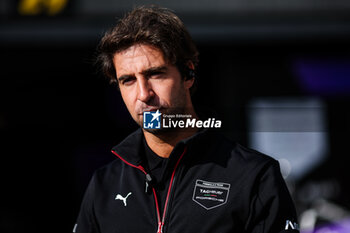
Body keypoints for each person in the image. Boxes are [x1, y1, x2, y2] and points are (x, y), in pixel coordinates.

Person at [74, 6, 299, 233]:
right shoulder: (104, 185)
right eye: (128, 80)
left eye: (155, 74)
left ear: (188, 74)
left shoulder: (253, 176)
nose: (143, 94)